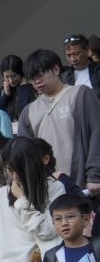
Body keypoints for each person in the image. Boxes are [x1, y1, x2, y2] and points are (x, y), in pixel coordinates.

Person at [18, 48, 100, 196]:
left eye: (40, 75)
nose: (37, 82)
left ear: (56, 69)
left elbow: (97, 134)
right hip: (48, 187)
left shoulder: (81, 94)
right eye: (32, 79)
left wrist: (95, 174)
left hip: (82, 184)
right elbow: (25, 152)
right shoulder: (28, 111)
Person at [0, 54, 36, 124]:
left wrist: (22, 88)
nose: (11, 80)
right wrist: (5, 95)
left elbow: (25, 111)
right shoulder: (2, 91)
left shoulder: (31, 88)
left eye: (14, 76)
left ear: (21, 73)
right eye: (7, 76)